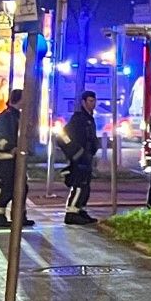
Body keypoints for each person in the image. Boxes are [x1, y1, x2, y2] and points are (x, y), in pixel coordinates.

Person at [0, 89, 31, 229]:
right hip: (6, 157)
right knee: (6, 187)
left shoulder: (17, 116)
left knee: (22, 187)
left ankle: (19, 215)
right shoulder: (7, 116)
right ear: (18, 99)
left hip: (17, 158)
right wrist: (9, 146)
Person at [61, 90, 99, 225]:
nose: (93, 104)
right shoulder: (78, 118)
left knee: (85, 186)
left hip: (87, 157)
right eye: (90, 101)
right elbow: (62, 136)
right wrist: (74, 152)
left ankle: (80, 210)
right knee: (79, 185)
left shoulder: (90, 118)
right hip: (79, 158)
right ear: (83, 102)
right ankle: (72, 211)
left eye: (94, 101)